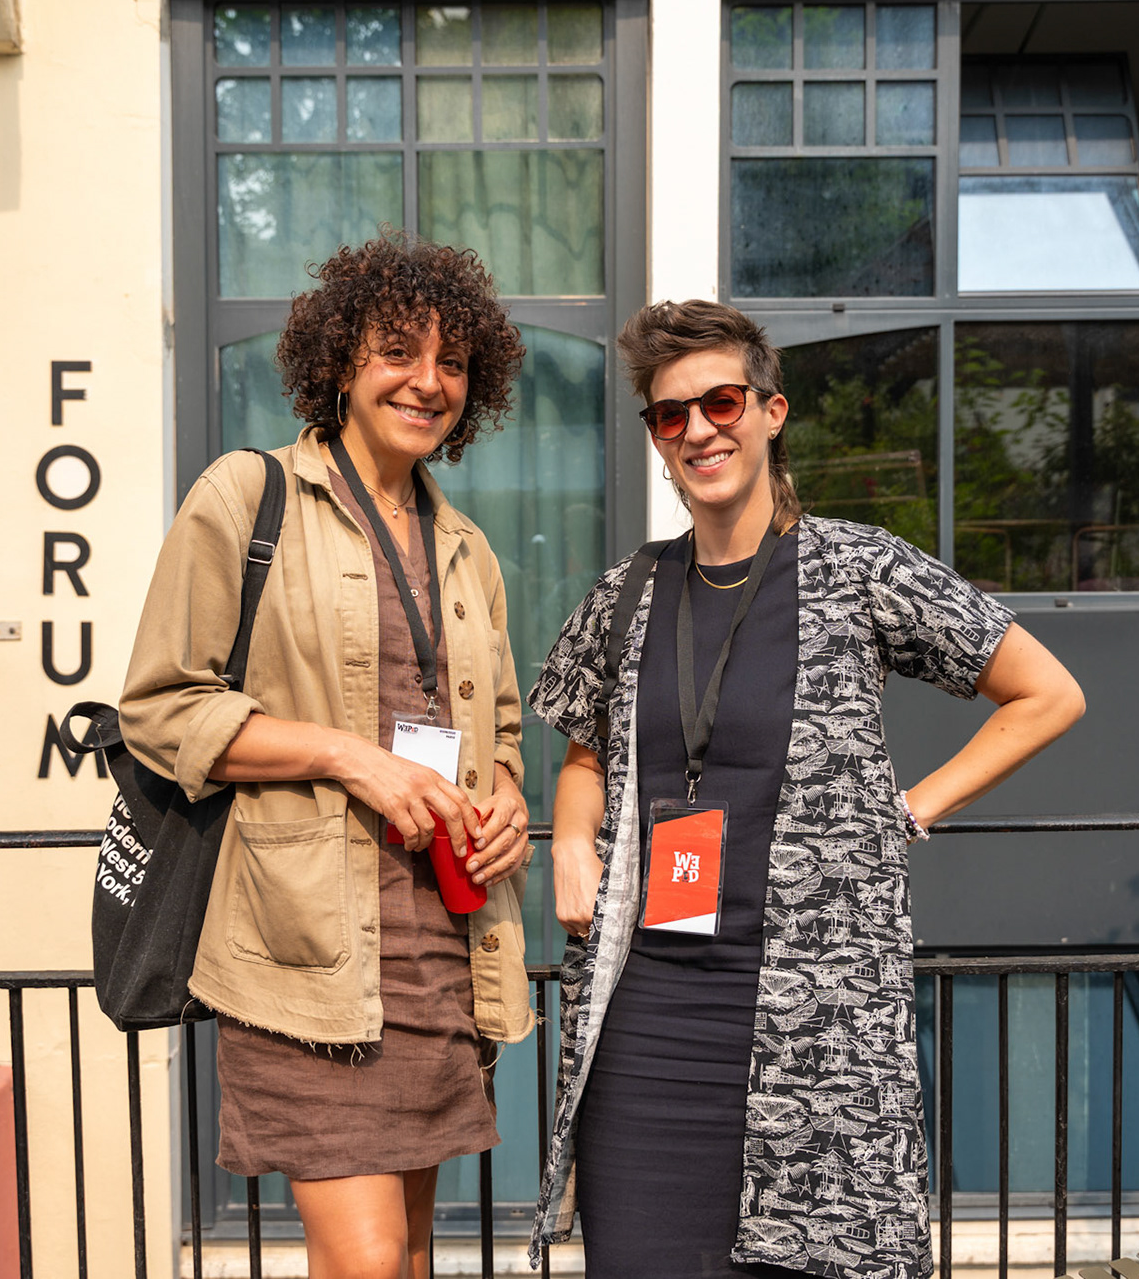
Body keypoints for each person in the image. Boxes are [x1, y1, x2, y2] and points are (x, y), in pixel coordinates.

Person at [528, 300, 1086, 1279]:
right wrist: (572, 840)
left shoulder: (859, 569)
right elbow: (584, 757)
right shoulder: (625, 594)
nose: (699, 430)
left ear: (770, 411)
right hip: (647, 1016)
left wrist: (906, 810)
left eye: (722, 401)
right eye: (671, 413)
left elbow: (1048, 693)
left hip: (815, 1013)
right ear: (656, 437)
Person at [120, 233, 535, 1279]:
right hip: (305, 959)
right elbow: (162, 708)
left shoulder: (467, 547)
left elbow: (502, 728)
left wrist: (509, 801)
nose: (428, 381)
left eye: (452, 362)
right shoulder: (244, 496)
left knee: (409, 1259)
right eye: (399, 351)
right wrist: (352, 758)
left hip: (441, 951)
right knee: (369, 1261)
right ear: (342, 361)